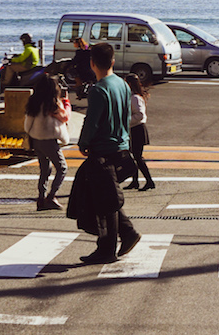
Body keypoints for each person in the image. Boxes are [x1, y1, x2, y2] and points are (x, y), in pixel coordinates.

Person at [66, 43, 142, 264]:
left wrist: (83, 143)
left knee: (102, 201)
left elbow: (92, 122)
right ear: (113, 61)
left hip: (103, 150)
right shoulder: (122, 84)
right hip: (122, 147)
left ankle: (107, 248)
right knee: (105, 197)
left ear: (92, 63)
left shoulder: (99, 90)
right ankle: (126, 233)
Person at [23, 73, 71, 211]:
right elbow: (65, 117)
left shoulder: (34, 102)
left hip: (36, 139)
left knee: (45, 169)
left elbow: (27, 124)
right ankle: (51, 197)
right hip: (49, 140)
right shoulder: (53, 103)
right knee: (62, 168)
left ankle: (41, 198)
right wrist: (66, 102)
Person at [122, 72, 156, 191]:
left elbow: (140, 115)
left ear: (130, 84)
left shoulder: (135, 98)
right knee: (133, 156)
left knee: (137, 156)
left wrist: (126, 121)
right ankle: (135, 181)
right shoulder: (132, 96)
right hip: (133, 129)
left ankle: (149, 181)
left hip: (137, 129)